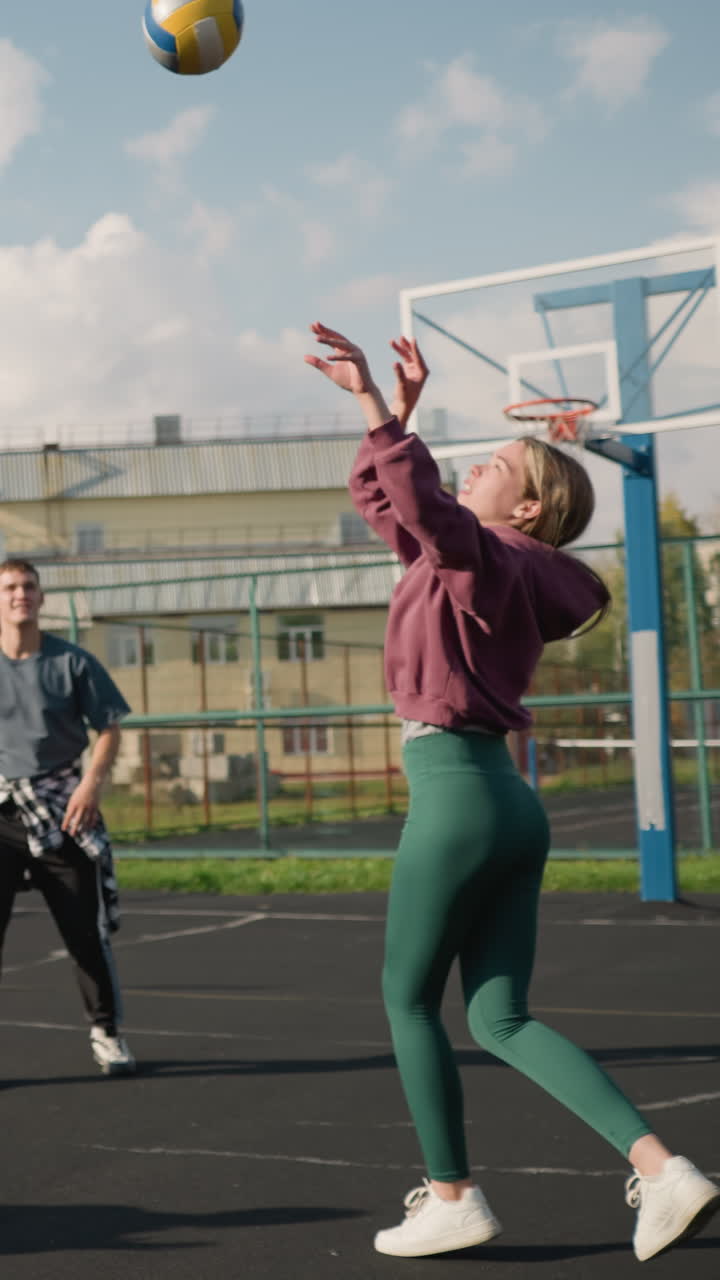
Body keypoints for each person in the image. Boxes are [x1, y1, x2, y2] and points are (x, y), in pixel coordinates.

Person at [305, 323, 719, 1263]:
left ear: (526, 508)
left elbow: (420, 501)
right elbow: (391, 500)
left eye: (490, 464)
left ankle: (451, 1195)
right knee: (500, 1017)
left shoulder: (484, 558)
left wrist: (380, 406)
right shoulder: (461, 565)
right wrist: (389, 411)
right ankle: (664, 1171)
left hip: (454, 791)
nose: (471, 471)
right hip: (503, 799)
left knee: (407, 1001)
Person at [0, 558, 135, 1076]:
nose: (20, 595)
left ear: (41, 596)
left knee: (84, 933)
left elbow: (109, 727)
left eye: (28, 586)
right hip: (3, 815)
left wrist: (90, 786)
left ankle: (107, 1033)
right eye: (10, 587)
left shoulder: (72, 662)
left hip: (62, 810)